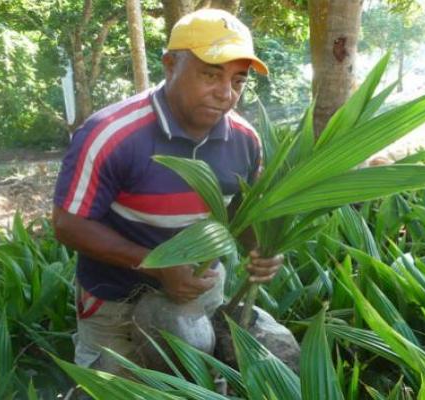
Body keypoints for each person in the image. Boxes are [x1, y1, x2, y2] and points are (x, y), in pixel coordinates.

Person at [52, 8, 283, 375]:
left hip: (202, 293)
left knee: (203, 373)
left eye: (238, 81)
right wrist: (158, 264)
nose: (226, 94)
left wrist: (261, 248)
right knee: (112, 385)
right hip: (116, 303)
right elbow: (67, 224)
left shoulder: (244, 140)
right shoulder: (111, 135)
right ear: (170, 64)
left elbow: (241, 207)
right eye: (211, 74)